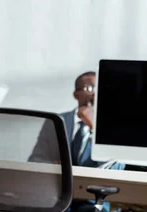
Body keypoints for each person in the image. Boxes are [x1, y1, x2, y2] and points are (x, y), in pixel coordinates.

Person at [29, 71, 124, 212]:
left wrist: (94, 127)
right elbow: (35, 160)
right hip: (57, 197)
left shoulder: (111, 127)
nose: (96, 93)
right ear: (76, 95)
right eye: (90, 88)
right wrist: (53, 167)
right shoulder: (56, 121)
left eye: (100, 89)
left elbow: (117, 168)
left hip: (93, 200)